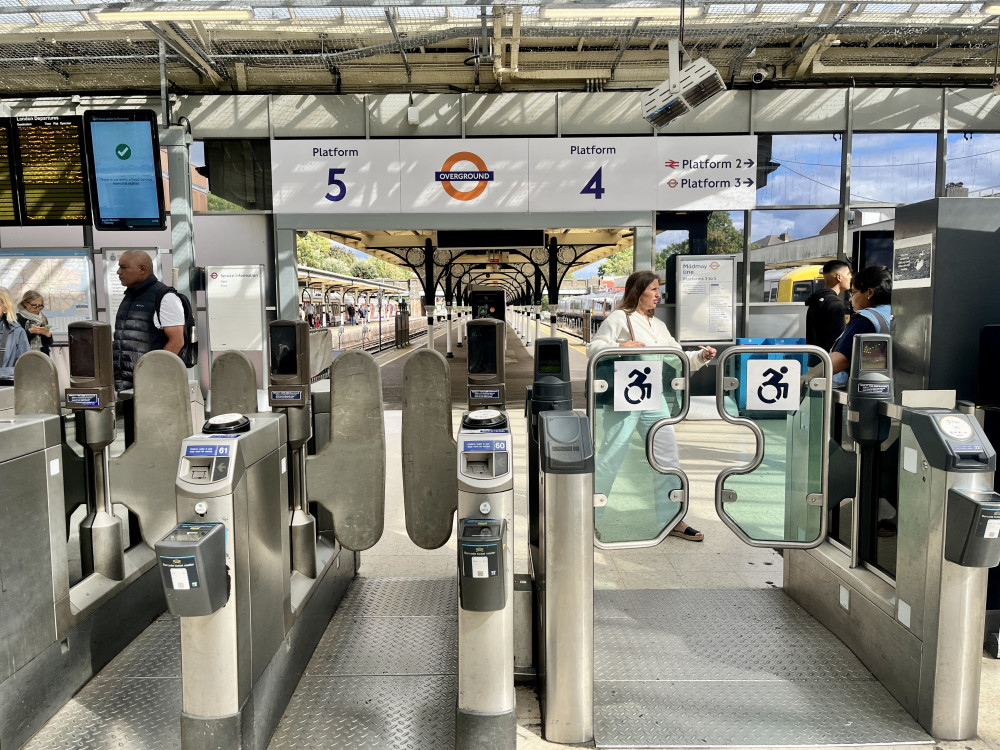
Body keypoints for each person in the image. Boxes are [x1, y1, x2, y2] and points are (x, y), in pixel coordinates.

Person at [587, 270, 717, 542]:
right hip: (626, 398)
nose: (659, 295)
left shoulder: (658, 326)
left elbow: (678, 356)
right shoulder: (620, 318)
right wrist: (620, 346)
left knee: (667, 456)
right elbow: (594, 347)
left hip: (653, 397)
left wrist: (700, 356)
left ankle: (672, 519)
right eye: (654, 289)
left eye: (659, 290)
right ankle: (590, 517)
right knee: (612, 455)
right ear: (639, 291)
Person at [112, 249, 186, 392]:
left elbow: (177, 341)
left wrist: (152, 375)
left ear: (142, 269)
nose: (118, 272)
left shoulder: (165, 297)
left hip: (152, 386)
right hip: (126, 385)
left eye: (124, 267)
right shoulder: (130, 297)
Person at [830, 264, 892, 386]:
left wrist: (808, 376)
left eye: (853, 292)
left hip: (861, 390)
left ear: (869, 292)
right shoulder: (895, 313)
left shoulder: (866, 320)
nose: (850, 299)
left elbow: (840, 360)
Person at [805, 260, 852, 350]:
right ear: (839, 277)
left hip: (815, 358)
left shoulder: (815, 300)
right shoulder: (835, 303)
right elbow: (838, 339)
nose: (851, 277)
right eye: (848, 274)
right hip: (830, 360)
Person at [0, 286, 30, 379]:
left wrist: (3, 372)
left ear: (5, 307)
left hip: (5, 388)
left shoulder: (17, 332)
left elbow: (26, 367)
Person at [16, 289, 52, 356]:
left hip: (42, 357)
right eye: (34, 305)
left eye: (40, 306)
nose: (37, 308)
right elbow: (15, 341)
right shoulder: (17, 318)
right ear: (25, 303)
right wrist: (30, 332)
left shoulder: (43, 318)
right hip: (24, 357)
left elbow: (48, 343)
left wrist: (48, 336)